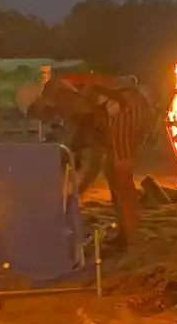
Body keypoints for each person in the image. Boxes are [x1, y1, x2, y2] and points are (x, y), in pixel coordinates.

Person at [30, 73, 148, 247]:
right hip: (119, 110)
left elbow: (93, 95)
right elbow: (94, 159)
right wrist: (75, 192)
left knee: (122, 178)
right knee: (112, 172)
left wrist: (72, 193)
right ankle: (125, 233)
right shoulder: (71, 107)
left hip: (124, 109)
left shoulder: (59, 93)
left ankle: (133, 239)